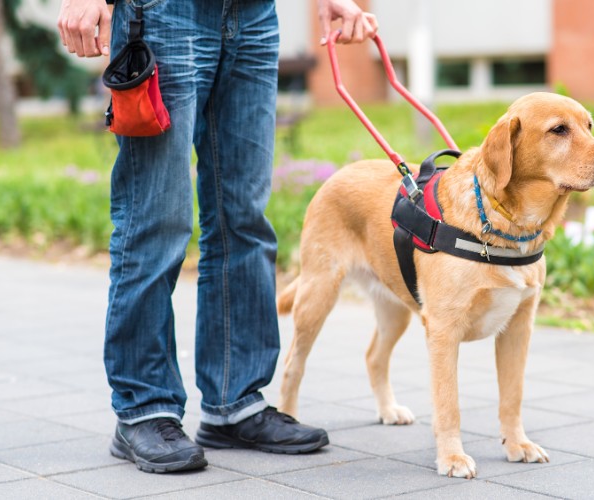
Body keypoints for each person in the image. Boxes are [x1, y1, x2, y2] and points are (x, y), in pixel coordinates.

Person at [57, 0, 378, 473]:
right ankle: (143, 409)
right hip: (165, 15)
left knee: (243, 219)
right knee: (156, 219)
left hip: (253, 17)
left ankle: (236, 402)